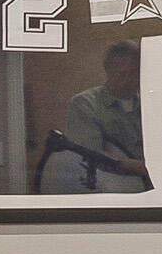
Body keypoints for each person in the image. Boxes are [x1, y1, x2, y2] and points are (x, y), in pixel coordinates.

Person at [61, 41, 151, 190]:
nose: (129, 79)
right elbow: (89, 153)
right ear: (108, 69)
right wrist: (141, 167)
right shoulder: (84, 103)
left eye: (134, 72)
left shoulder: (151, 106)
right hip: (108, 189)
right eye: (122, 72)